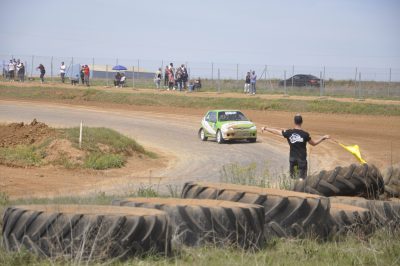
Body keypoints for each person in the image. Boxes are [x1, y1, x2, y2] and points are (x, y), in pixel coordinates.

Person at [261, 114, 330, 179]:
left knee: (293, 178)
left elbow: (276, 131)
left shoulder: (289, 132)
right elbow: (314, 143)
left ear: (294, 122)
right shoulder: (305, 134)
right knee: (302, 179)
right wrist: (323, 138)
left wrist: (266, 128)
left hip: (292, 159)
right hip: (302, 160)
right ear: (302, 122)